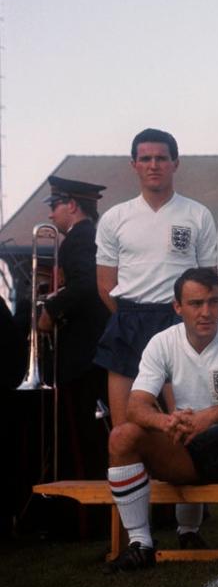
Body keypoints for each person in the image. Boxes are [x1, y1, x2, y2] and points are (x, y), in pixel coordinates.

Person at [104, 268, 218, 573]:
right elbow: (135, 406)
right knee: (122, 435)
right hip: (182, 447)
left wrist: (209, 416)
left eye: (213, 302)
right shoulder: (162, 342)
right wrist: (166, 422)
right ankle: (141, 544)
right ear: (178, 307)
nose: (206, 312)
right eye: (196, 303)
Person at [95, 128, 218, 549]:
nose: (153, 165)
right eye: (145, 159)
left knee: (184, 422)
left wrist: (177, 324)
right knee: (127, 429)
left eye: (161, 158)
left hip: (177, 324)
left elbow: (204, 280)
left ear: (175, 163)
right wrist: (137, 325)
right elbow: (105, 285)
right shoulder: (114, 218)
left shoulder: (197, 215)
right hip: (128, 323)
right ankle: (136, 534)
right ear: (133, 165)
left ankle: (188, 529)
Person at [39, 176, 111, 536]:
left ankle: (87, 518)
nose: (51, 214)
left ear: (71, 205)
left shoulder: (79, 239)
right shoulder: (88, 237)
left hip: (84, 352)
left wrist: (51, 307)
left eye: (54, 205)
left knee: (85, 433)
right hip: (91, 348)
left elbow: (85, 286)